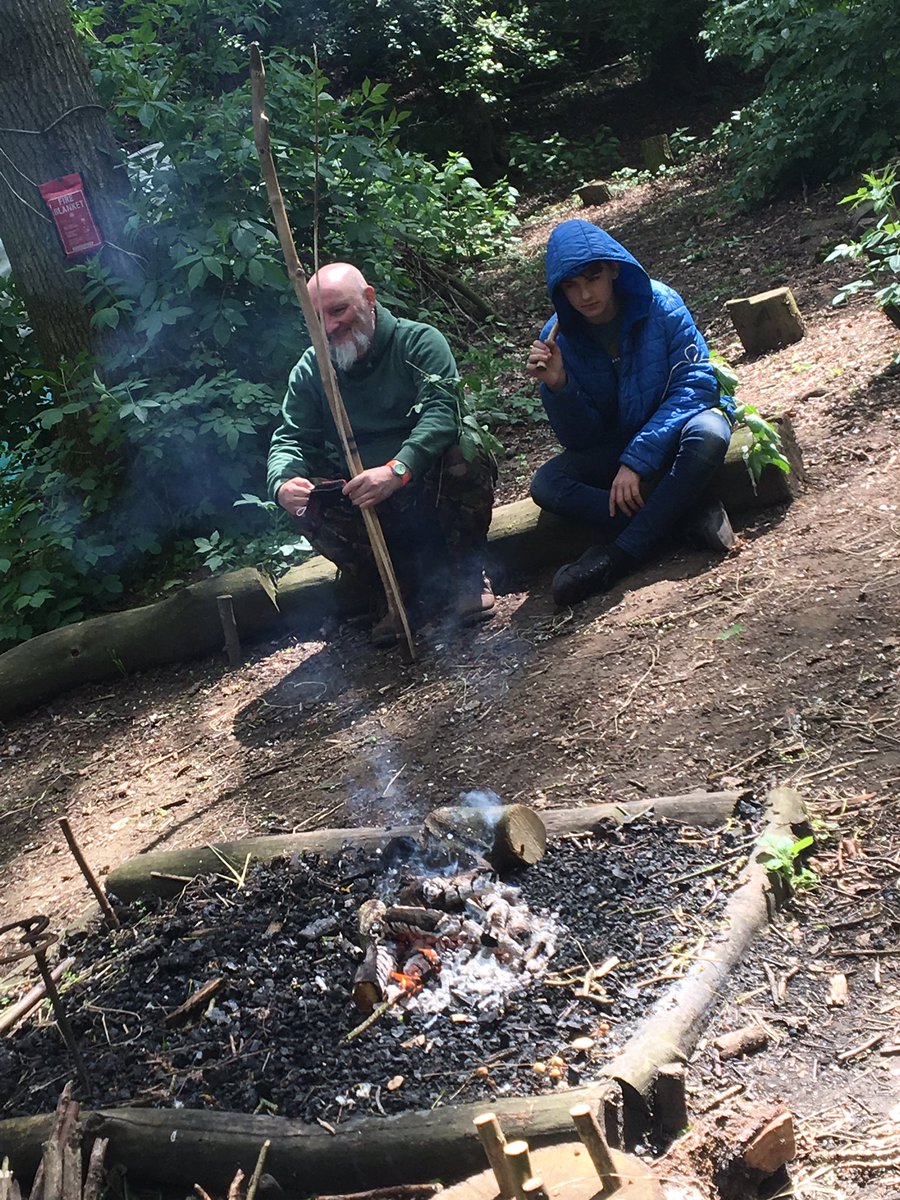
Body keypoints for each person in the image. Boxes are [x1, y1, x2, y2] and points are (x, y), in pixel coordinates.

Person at [268, 262, 496, 645]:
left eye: (339, 310)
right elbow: (290, 438)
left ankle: (467, 574)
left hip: (427, 485)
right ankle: (395, 591)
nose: (330, 326)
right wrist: (283, 482)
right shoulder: (312, 369)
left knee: (464, 448)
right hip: (367, 503)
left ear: (369, 299)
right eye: (318, 318)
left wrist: (397, 470)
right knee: (307, 500)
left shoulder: (418, 342)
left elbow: (443, 412)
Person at [525, 219, 735, 607]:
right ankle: (682, 519)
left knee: (710, 432)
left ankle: (620, 555)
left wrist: (637, 460)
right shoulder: (558, 337)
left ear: (614, 269)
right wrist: (559, 386)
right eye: (571, 286)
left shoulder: (662, 304)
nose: (585, 294)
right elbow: (581, 440)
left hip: (674, 430)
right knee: (548, 483)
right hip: (617, 445)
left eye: (593, 278)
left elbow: (696, 386)